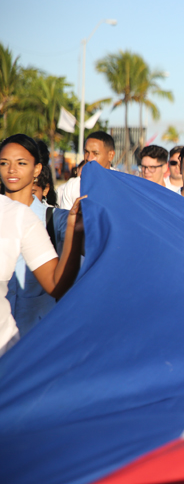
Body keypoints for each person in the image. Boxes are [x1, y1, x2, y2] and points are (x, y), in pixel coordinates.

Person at [1, 134, 85, 354]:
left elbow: (57, 283)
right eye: (4, 163)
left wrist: (75, 230)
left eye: (21, 163)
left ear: (37, 169)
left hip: (36, 344)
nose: (11, 170)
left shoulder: (55, 220)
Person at [58, 131, 116, 209]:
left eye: (95, 153)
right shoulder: (73, 186)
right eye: (86, 152)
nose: (89, 158)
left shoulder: (122, 186)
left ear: (110, 155)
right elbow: (63, 220)